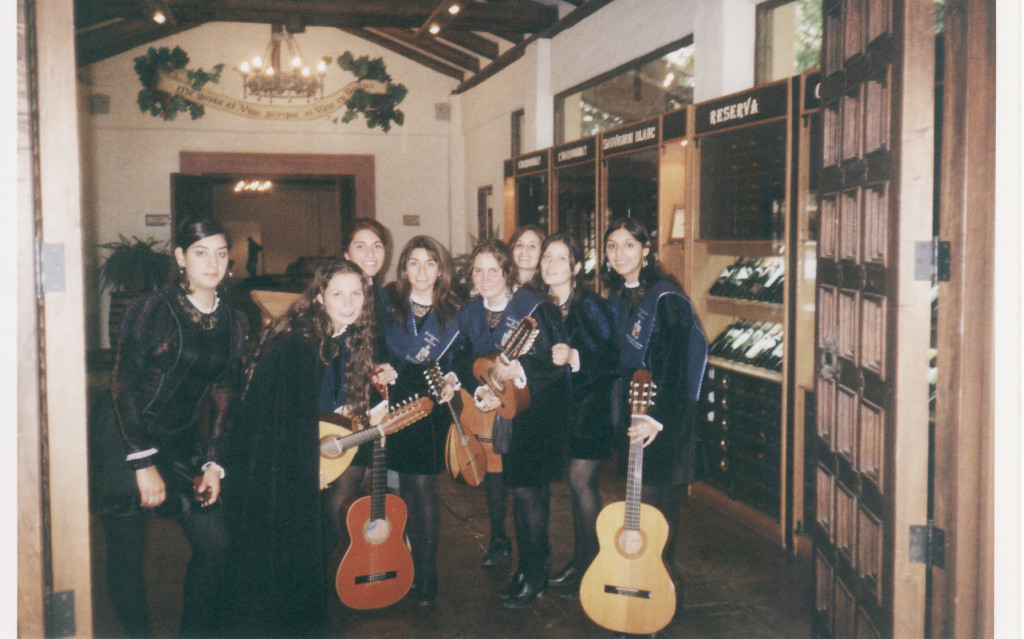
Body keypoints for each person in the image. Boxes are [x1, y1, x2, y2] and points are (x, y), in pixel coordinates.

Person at [87, 218, 249, 638]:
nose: (212, 262)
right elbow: (122, 384)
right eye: (200, 252)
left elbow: (226, 394)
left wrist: (214, 462)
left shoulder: (235, 321)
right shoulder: (152, 308)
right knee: (126, 553)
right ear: (180, 258)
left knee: (217, 544)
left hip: (179, 440)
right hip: (123, 434)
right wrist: (141, 462)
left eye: (220, 252)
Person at [225, 259, 380, 637]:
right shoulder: (302, 343)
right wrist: (308, 470)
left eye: (356, 293)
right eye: (338, 294)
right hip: (274, 465)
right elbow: (284, 420)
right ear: (320, 298)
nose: (348, 302)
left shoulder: (330, 335)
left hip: (288, 460)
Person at [455, 238, 570, 608]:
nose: (486, 277)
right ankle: (532, 566)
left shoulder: (535, 308)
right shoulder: (471, 313)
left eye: (494, 270)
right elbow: (464, 362)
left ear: (507, 273)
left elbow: (556, 366)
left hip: (538, 411)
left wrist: (521, 373)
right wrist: (483, 391)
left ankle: (532, 574)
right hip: (502, 410)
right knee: (520, 490)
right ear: (471, 276)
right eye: (478, 270)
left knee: (526, 491)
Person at [603, 217, 709, 597]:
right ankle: (647, 584)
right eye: (612, 245)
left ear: (646, 251)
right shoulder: (619, 296)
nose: (619, 253)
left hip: (663, 417)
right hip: (634, 413)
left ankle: (658, 585)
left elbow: (679, 366)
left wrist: (655, 419)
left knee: (655, 504)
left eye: (629, 245)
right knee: (646, 501)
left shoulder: (665, 298)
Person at [531, 233, 619, 597]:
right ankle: (581, 563)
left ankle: (588, 566)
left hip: (590, 411)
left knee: (582, 484)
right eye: (546, 257)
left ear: (576, 268)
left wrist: (576, 358)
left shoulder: (589, 306)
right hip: (560, 412)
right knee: (573, 485)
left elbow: (612, 359)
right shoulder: (541, 306)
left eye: (560, 258)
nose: (550, 264)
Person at [381, 235, 462, 606]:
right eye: (414, 262)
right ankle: (409, 562)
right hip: (395, 402)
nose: (422, 270)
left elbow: (466, 354)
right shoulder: (389, 305)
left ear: (441, 269)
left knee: (424, 489)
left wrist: (454, 378)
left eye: (430, 262)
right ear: (403, 268)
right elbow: (377, 349)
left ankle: (427, 573)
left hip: (431, 405)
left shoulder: (455, 311)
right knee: (405, 490)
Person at [321, 218, 398, 558]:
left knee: (363, 479)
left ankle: (359, 558)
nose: (370, 252)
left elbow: (379, 350)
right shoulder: (336, 295)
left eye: (378, 245)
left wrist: (383, 373)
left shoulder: (381, 296)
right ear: (346, 252)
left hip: (368, 402)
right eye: (360, 245)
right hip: (337, 405)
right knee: (345, 482)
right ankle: (343, 556)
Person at [478, 224, 548, 568]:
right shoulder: (488, 293)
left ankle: (536, 553)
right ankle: (498, 538)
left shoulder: (541, 298)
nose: (524, 252)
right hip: (492, 393)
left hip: (530, 399)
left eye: (533, 246)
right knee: (496, 471)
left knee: (530, 484)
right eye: (519, 245)